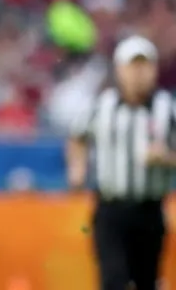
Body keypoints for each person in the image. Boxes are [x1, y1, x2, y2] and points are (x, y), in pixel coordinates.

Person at [67, 35, 176, 290]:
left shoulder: (167, 109)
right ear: (119, 70)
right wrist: (78, 167)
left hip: (150, 208)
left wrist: (167, 158)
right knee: (113, 280)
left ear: (154, 69)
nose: (138, 73)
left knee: (146, 282)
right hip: (110, 209)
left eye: (144, 66)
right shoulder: (101, 105)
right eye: (132, 66)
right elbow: (77, 137)